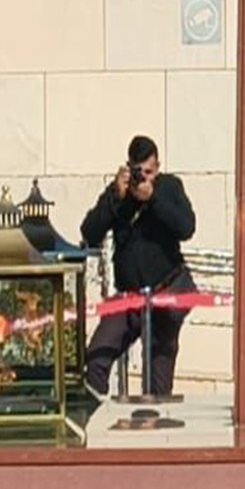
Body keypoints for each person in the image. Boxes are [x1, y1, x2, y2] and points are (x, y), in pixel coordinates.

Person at [79, 134, 197, 399]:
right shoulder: (120, 194)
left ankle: (155, 433)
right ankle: (95, 420)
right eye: (138, 172)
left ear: (157, 168)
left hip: (164, 296)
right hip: (129, 298)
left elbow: (186, 227)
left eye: (149, 172)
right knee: (97, 357)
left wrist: (153, 198)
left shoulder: (168, 187)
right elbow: (89, 230)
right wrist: (115, 197)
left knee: (158, 385)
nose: (143, 179)